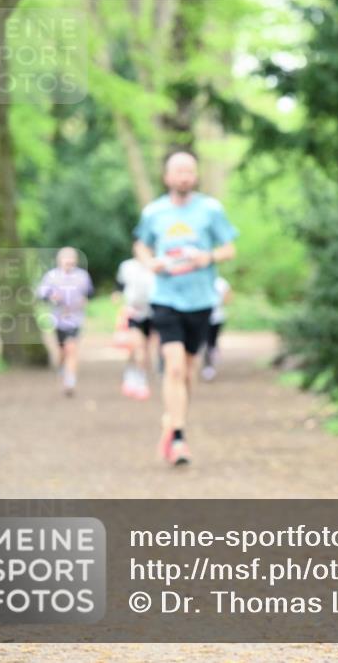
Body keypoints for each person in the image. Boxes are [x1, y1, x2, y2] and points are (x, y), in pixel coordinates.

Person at [133, 151, 238, 466]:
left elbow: (229, 248)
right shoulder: (154, 212)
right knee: (174, 366)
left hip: (201, 300)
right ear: (167, 177)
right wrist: (149, 262)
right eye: (178, 171)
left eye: (189, 171)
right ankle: (179, 438)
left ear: (196, 176)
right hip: (166, 298)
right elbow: (140, 244)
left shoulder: (210, 209)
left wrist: (208, 257)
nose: (183, 176)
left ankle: (173, 420)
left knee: (188, 371)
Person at [37, 247, 94, 397]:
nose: (69, 263)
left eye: (72, 259)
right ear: (59, 260)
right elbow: (41, 294)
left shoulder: (82, 276)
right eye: (66, 259)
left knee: (72, 348)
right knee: (62, 351)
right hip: (58, 319)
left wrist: (85, 300)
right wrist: (52, 296)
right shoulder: (51, 276)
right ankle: (62, 369)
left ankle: (70, 382)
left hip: (76, 318)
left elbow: (90, 293)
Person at [114, 255, 156, 399]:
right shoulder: (127, 266)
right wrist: (117, 294)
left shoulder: (156, 264)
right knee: (138, 346)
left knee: (145, 348)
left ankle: (133, 373)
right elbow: (120, 284)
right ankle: (139, 379)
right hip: (133, 312)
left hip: (152, 313)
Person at [201, 276, 232, 382]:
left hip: (216, 318)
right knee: (207, 343)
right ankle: (208, 365)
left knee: (210, 342)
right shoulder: (201, 280)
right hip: (202, 318)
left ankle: (209, 364)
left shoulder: (221, 282)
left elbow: (228, 298)